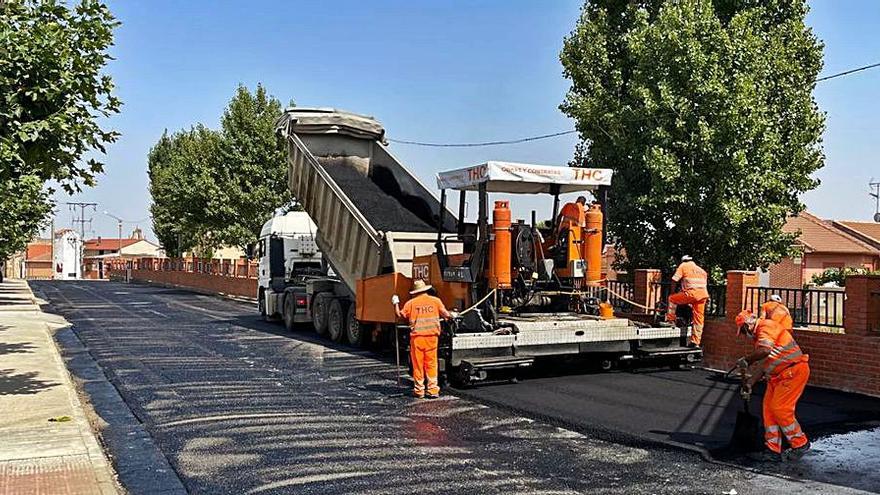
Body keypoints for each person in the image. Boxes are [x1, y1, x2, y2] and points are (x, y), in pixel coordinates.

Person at [735, 310, 811, 462]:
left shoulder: (765, 327)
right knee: (768, 410)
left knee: (780, 408)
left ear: (747, 325)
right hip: (777, 377)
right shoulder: (761, 335)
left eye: (743, 331)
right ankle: (772, 449)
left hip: (792, 372)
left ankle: (800, 443)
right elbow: (764, 364)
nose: (744, 335)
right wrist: (750, 383)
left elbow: (765, 351)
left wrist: (747, 360)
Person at [392, 280, 452, 399]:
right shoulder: (436, 301)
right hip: (432, 338)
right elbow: (446, 315)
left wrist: (395, 303)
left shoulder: (411, 303)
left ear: (415, 292)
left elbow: (399, 315)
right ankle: (433, 390)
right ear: (425, 290)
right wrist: (450, 316)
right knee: (431, 364)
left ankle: (419, 391)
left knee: (418, 365)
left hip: (417, 339)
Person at [666, 255, 710, 347]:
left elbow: (674, 280)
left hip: (691, 294)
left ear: (683, 261)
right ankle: (695, 342)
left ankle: (670, 321)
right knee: (699, 319)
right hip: (702, 295)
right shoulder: (701, 270)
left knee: (672, 299)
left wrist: (672, 293)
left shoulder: (683, 266)